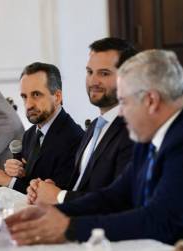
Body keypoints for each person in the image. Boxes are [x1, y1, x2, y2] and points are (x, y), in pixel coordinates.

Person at [5, 49, 183, 245]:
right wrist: (54, 212)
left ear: (151, 101)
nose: (120, 112)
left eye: (124, 102)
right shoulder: (151, 134)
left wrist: (69, 228)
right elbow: (115, 196)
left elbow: (159, 220)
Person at [26, 37, 135, 205]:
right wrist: (48, 188)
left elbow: (120, 201)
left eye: (104, 73)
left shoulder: (134, 129)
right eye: (90, 72)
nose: (93, 81)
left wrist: (60, 196)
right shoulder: (94, 127)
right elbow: (81, 187)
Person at [0, 62, 84, 193]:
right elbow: (29, 182)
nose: (28, 105)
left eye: (36, 95)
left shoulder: (75, 138)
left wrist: (8, 181)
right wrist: (16, 172)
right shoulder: (30, 134)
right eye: (24, 96)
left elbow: (57, 198)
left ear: (57, 96)